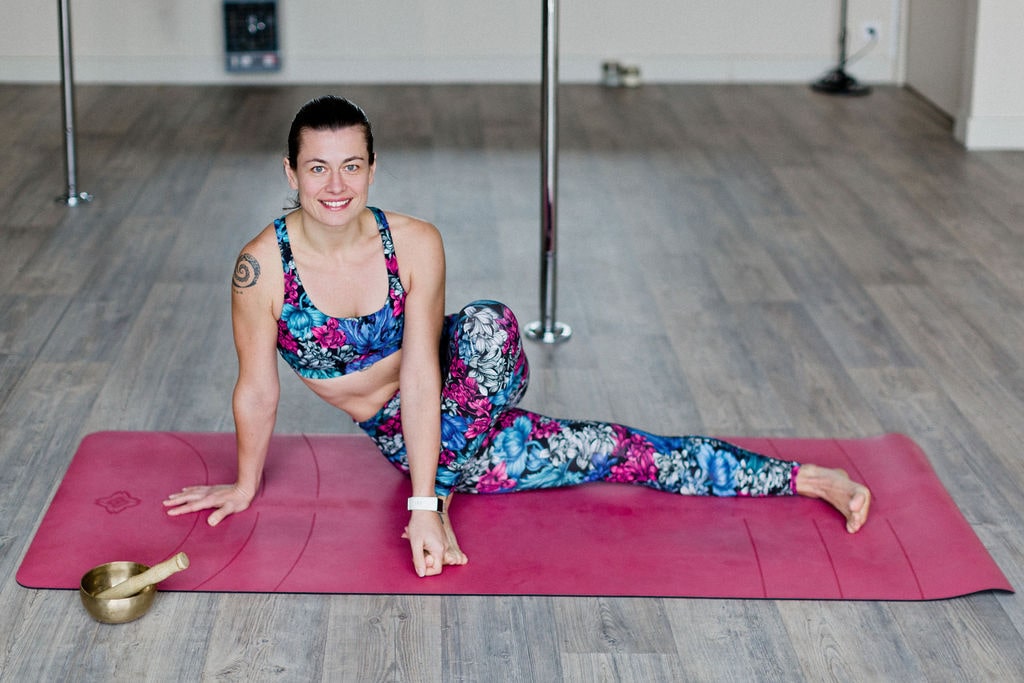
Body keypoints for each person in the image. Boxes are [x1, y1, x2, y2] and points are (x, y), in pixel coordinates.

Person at [164, 95, 871, 578]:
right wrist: (244, 483)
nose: (336, 184)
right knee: (610, 449)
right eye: (318, 167)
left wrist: (423, 501)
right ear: (291, 172)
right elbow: (257, 387)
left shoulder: (411, 242)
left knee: (490, 323)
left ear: (372, 168)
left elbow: (421, 370)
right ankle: (805, 477)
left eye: (352, 165)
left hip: (462, 384)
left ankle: (438, 499)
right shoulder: (262, 269)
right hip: (425, 434)